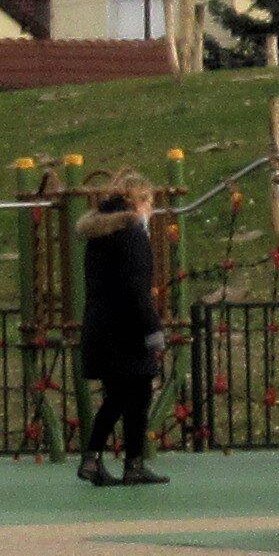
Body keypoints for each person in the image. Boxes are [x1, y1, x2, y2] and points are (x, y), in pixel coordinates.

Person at [75, 173, 168, 488]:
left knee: (115, 397)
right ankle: (134, 463)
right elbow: (138, 289)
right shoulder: (132, 235)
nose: (151, 211)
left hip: (101, 327)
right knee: (138, 396)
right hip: (128, 331)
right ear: (138, 202)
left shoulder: (99, 234)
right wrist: (153, 330)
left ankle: (92, 458)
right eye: (150, 203)